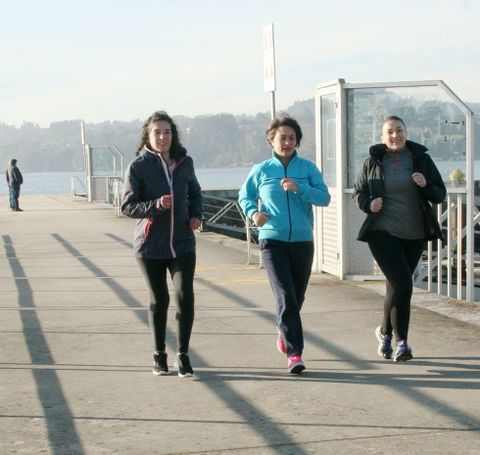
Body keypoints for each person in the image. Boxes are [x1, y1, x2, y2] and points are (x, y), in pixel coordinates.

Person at [238, 114, 331, 374]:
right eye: (282, 138)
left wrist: (299, 189)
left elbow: (324, 198)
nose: (287, 142)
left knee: (296, 297)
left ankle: (283, 327)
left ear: (297, 141)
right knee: (285, 296)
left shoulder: (308, 169)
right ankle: (295, 354)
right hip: (272, 240)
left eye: (292, 138)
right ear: (271, 141)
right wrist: (254, 214)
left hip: (302, 239)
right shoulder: (261, 170)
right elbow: (244, 196)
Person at [353, 115, 446, 362]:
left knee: (397, 287)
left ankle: (384, 333)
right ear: (383, 138)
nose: (395, 136)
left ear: (406, 132)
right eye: (390, 132)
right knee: (403, 282)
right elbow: (359, 193)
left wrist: (425, 183)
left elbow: (439, 194)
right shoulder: (373, 161)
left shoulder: (421, 159)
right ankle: (402, 342)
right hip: (381, 231)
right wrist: (368, 204)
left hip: (414, 233)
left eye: (399, 130)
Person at [121, 111, 202, 377]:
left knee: (184, 295)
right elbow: (127, 206)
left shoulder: (184, 162)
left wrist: (195, 215)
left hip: (182, 242)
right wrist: (155, 205)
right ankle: (159, 354)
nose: (162, 137)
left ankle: (183, 354)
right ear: (148, 135)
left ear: (173, 134)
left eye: (167, 132)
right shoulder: (138, 167)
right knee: (160, 299)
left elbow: (195, 192)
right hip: (150, 246)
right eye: (157, 132)